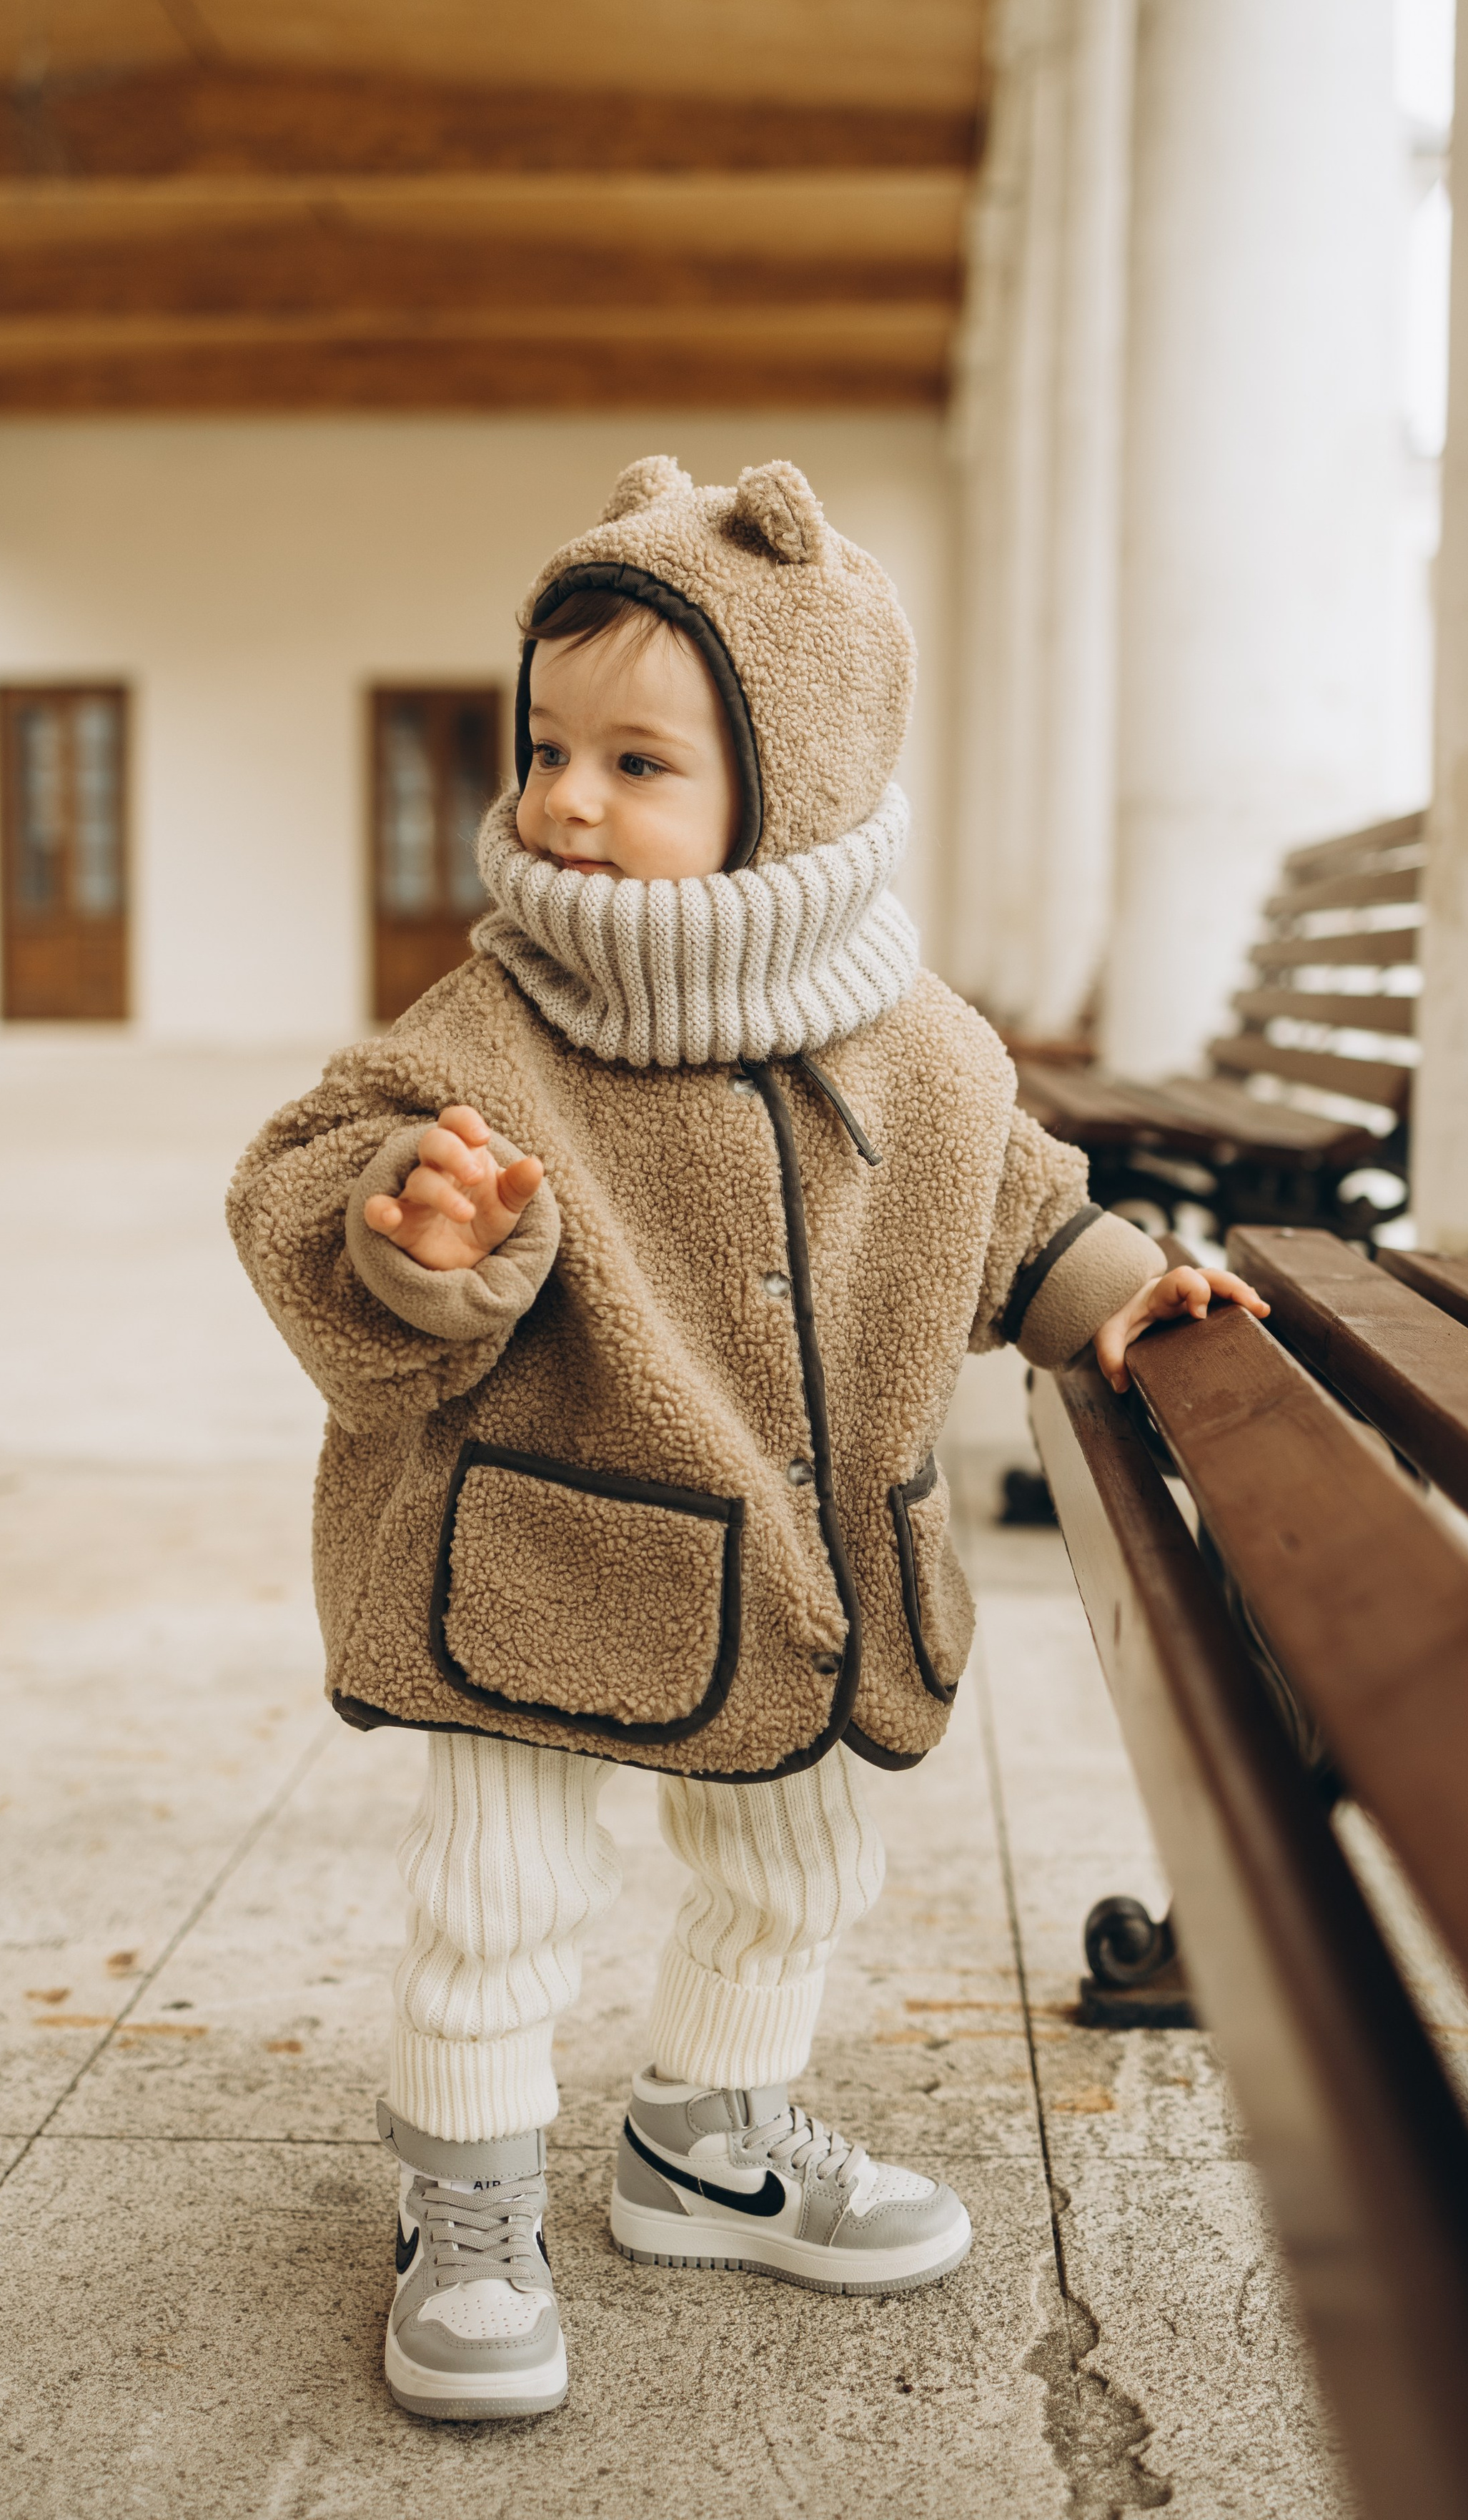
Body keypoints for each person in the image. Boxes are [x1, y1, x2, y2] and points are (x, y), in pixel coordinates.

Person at [228, 454, 1267, 2423]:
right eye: (549, 747)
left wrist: (1111, 1278)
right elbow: (319, 1161)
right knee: (504, 1884)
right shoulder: (493, 1022)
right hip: (532, 1545)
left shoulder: (915, 1040)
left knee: (797, 1852)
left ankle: (711, 2132)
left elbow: (1006, 1195)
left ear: (788, 779)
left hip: (796, 1570)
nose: (565, 801)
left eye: (639, 762)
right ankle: (466, 2200)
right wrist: (412, 1233)